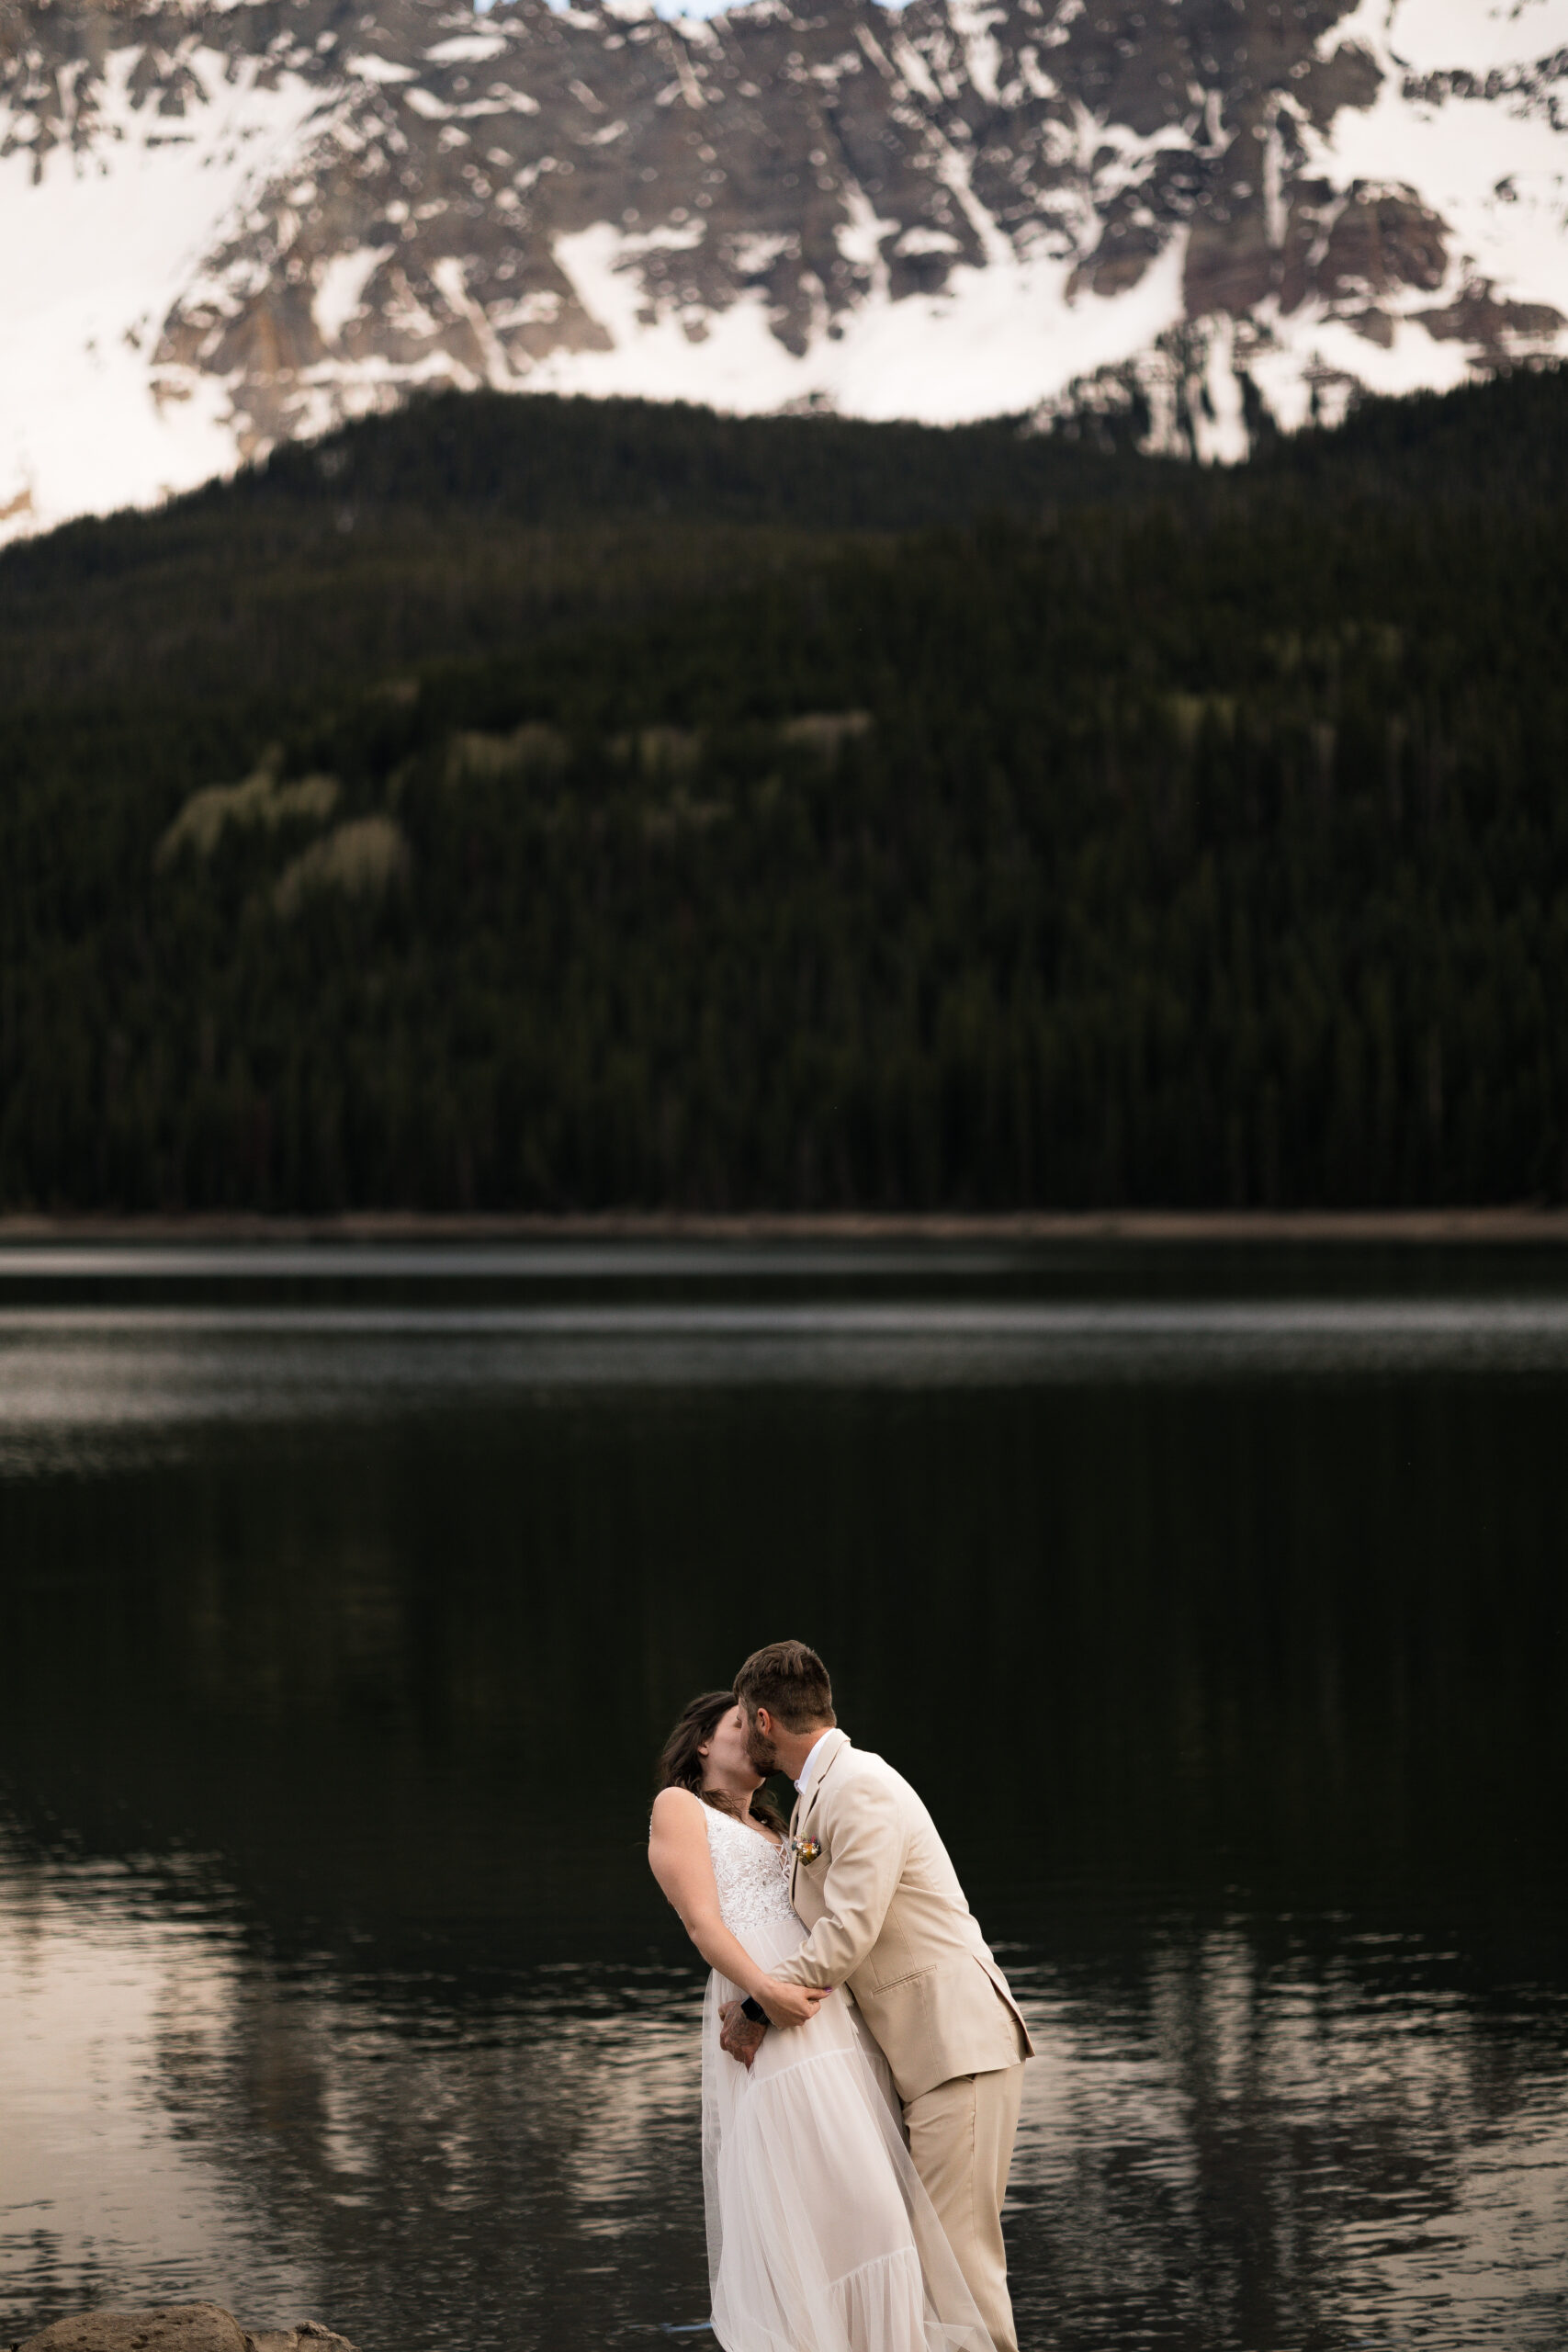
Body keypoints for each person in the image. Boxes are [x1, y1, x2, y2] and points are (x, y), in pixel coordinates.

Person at [649, 1689, 997, 2352]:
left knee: (876, 2212)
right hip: (772, 2014)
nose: (753, 1740)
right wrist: (761, 1995)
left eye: (755, 1728)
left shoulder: (781, 1824)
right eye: (735, 1726)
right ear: (700, 1742)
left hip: (830, 2024)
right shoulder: (679, 1807)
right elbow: (701, 1923)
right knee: (826, 2199)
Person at [722, 1642, 1033, 2352]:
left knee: (955, 2267)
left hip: (960, 2048)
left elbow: (849, 1928)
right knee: (926, 2263)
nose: (742, 1733)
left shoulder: (859, 1785)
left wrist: (755, 2009)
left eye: (743, 1721)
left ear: (763, 1718)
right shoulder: (822, 1794)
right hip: (922, 2059)